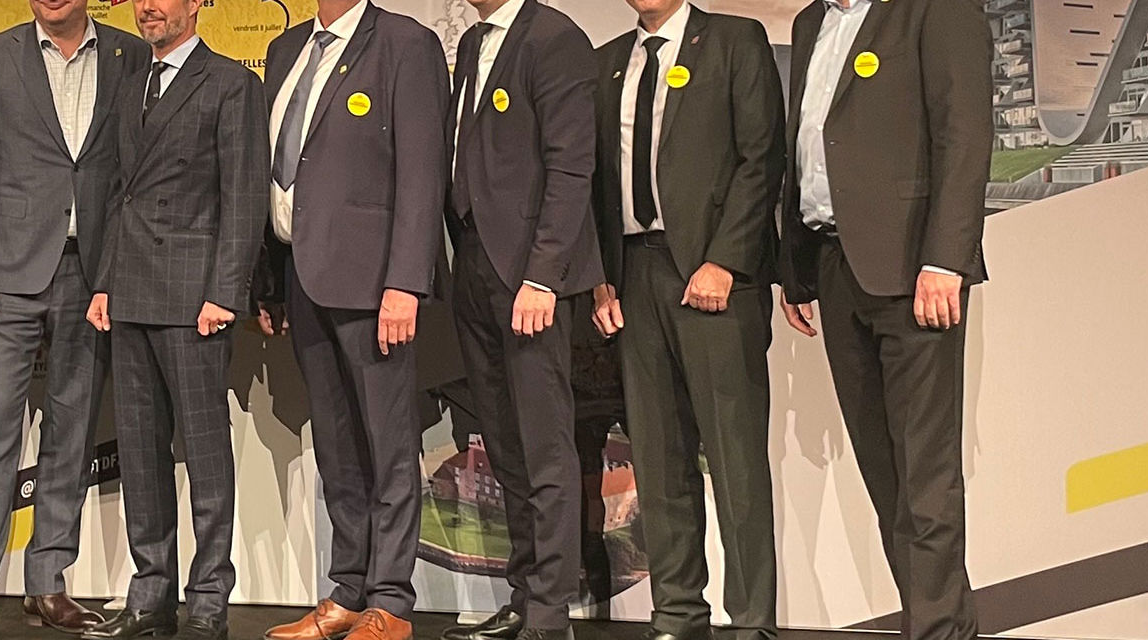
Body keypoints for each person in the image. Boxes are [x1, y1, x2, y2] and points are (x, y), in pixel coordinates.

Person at [0, 0, 151, 637]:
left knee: (72, 433)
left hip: (92, 274)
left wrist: (118, 271)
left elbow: (134, 169)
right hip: (2, 275)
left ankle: (47, 582)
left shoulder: (130, 55)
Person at [778, 1, 992, 639]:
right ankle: (938, 625)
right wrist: (795, 269)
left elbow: (965, 131)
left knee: (925, 477)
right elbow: (806, 146)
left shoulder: (934, 9)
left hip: (914, 271)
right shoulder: (810, 23)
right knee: (886, 477)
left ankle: (938, 631)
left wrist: (946, 259)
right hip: (834, 264)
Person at [252, 1, 449, 640]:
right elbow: (278, 175)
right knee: (337, 449)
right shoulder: (285, 50)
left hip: (374, 286)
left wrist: (405, 282)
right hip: (303, 277)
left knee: (388, 448)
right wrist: (270, 282)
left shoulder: (405, 43)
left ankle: (390, 602)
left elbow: (422, 173)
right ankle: (348, 590)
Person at [589, 1, 784, 639]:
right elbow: (593, 180)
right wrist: (601, 276)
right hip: (634, 275)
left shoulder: (733, 40)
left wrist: (725, 260)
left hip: (714, 278)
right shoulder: (606, 63)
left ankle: (751, 621)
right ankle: (676, 613)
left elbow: (762, 157)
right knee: (658, 457)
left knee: (734, 460)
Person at [79, 0, 267, 637]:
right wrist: (105, 283)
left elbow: (244, 196)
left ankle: (209, 598)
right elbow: (120, 194)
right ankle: (150, 595)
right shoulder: (132, 83)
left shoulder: (232, 83)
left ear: (195, 5)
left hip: (194, 300)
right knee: (139, 455)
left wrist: (226, 293)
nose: (148, 7)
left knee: (206, 454)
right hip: (130, 292)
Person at [438, 1, 600, 639]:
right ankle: (526, 593)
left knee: (544, 445)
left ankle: (550, 612)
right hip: (475, 266)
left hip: (530, 277)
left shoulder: (553, 37)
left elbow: (571, 166)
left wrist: (543, 276)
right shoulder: (474, 42)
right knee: (504, 446)